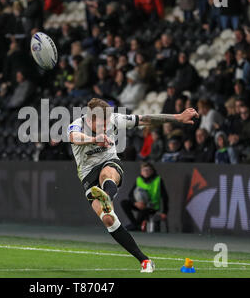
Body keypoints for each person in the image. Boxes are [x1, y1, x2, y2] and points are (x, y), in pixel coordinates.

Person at [68, 97, 198, 273]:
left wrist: (178, 117)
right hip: (87, 175)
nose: (107, 123)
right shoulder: (77, 124)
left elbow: (146, 119)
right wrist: (94, 139)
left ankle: (107, 195)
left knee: (107, 174)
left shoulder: (114, 120)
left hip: (109, 163)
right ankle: (144, 260)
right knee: (109, 220)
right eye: (104, 119)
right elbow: (73, 137)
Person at [121, 162, 169, 233]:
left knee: (144, 211)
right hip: (140, 205)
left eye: (148, 170)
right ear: (141, 172)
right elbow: (131, 194)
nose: (146, 172)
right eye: (144, 170)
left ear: (152, 171)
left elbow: (165, 197)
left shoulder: (158, 180)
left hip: (152, 207)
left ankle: (135, 225)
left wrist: (165, 212)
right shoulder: (139, 180)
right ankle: (136, 225)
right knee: (124, 203)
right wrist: (136, 203)